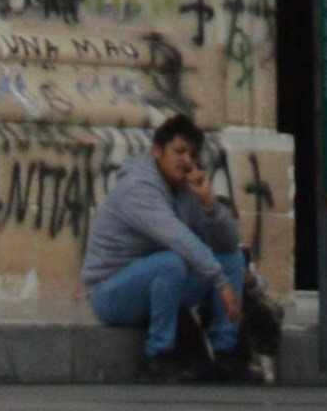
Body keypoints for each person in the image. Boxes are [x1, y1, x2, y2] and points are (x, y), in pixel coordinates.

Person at [84, 110, 255, 372]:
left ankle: (225, 353)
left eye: (192, 155)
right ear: (157, 151)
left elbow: (228, 244)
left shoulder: (186, 187)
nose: (187, 161)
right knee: (171, 262)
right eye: (179, 151)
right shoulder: (138, 188)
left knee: (231, 259)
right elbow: (178, 238)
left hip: (161, 286)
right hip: (111, 293)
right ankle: (159, 355)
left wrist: (210, 205)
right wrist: (220, 282)